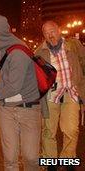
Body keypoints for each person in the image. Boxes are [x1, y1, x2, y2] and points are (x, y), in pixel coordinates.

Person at [0, 14, 41, 170]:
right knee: (10, 159)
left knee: (31, 158)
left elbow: (13, 88)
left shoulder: (19, 52)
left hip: (28, 108)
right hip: (6, 109)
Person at [35, 20, 85, 171]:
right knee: (48, 130)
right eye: (46, 33)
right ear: (43, 35)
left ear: (59, 30)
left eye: (53, 31)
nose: (50, 35)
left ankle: (68, 161)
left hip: (71, 93)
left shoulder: (74, 45)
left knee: (71, 129)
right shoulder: (40, 52)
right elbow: (36, 76)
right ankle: (49, 162)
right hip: (51, 95)